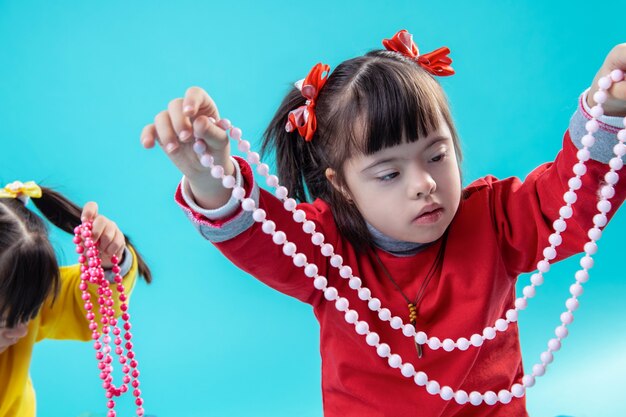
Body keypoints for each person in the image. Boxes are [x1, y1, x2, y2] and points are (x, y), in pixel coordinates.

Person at [140, 29, 626, 416]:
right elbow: (259, 232)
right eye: (389, 173)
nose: (423, 184)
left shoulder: (496, 219)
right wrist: (211, 176)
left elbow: (569, 200)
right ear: (343, 185)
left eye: (436, 155)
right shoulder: (325, 249)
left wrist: (607, 115)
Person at [0, 181, 152, 417]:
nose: (21, 332)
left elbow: (78, 302)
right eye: (3, 322)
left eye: (29, 314)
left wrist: (105, 266)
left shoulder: (18, 297)